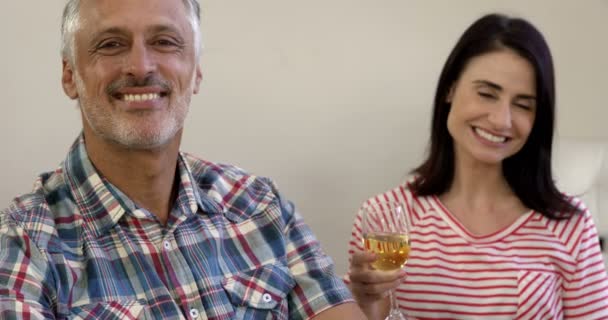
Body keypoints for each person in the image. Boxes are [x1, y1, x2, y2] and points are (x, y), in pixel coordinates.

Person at [0, 0, 366, 319]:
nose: (141, 66)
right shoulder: (23, 246)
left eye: (164, 42)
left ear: (196, 72)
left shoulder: (258, 203)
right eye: (111, 45)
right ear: (69, 76)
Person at [346, 13, 608, 319]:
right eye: (486, 93)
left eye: (523, 105)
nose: (501, 120)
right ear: (450, 89)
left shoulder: (570, 226)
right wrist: (365, 301)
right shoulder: (382, 218)